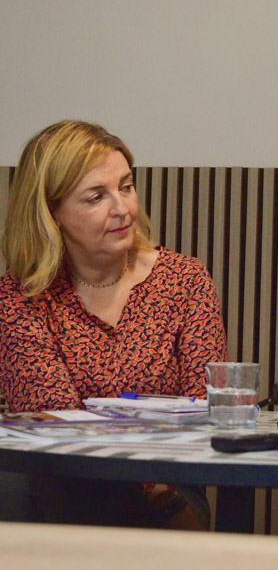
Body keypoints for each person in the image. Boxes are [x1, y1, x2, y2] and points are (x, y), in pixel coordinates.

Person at [0, 120, 228, 529]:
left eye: (126, 187)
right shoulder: (20, 297)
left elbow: (206, 412)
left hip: (171, 491)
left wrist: (157, 489)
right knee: (34, 483)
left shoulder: (185, 279)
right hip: (66, 482)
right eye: (96, 197)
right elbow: (56, 427)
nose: (122, 209)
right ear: (52, 213)